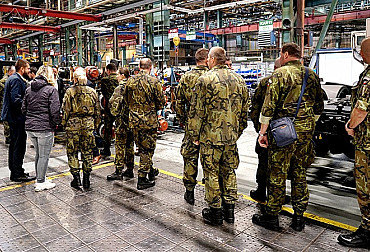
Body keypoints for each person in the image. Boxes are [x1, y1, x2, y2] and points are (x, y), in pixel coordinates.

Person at [252, 43, 324, 232]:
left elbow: (268, 107)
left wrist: (262, 133)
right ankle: (299, 217)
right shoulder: (311, 74)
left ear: (285, 54)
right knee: (300, 173)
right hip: (305, 132)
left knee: (278, 173)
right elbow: (319, 105)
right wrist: (308, 123)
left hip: (283, 132)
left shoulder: (279, 74)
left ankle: (272, 216)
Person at [187, 47, 250, 225]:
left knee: (211, 172)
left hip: (210, 137)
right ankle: (229, 211)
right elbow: (245, 111)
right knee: (229, 171)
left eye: (208, 58)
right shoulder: (239, 79)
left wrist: (194, 135)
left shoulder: (204, 80)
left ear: (213, 59)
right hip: (230, 138)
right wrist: (237, 131)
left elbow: (196, 111)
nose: (207, 61)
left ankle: (215, 211)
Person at [337, 37, 370, 248]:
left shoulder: (368, 78)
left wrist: (351, 125)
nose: (359, 54)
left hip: (367, 144)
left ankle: (367, 231)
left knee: (365, 187)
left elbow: (361, 109)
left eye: (361, 50)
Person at [123, 58, 165, 190]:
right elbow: (161, 102)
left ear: (139, 67)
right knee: (148, 149)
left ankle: (150, 170)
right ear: (150, 67)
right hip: (149, 121)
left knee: (141, 147)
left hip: (134, 120)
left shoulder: (130, 81)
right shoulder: (154, 81)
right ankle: (142, 178)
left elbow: (126, 99)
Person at [175, 48, 209, 205]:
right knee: (211, 160)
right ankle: (213, 195)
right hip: (212, 127)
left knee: (190, 157)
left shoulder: (186, 77)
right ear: (208, 59)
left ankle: (189, 192)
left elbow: (178, 102)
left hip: (191, 125)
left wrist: (183, 119)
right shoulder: (213, 76)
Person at [21, 66, 60, 192]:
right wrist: (56, 124)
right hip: (44, 127)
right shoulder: (51, 90)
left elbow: (23, 108)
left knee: (39, 154)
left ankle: (40, 177)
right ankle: (41, 182)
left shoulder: (28, 89)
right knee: (44, 155)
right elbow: (55, 110)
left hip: (30, 128)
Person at [61, 67, 100, 190]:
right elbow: (97, 111)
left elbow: (65, 110)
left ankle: (76, 178)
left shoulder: (70, 92)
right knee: (87, 151)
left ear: (75, 78)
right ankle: (87, 178)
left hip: (73, 125)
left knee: (72, 152)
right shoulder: (92, 92)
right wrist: (95, 124)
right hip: (88, 125)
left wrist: (64, 123)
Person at [249, 58, 281, 202]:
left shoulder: (265, 83)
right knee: (281, 165)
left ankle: (261, 191)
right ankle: (278, 195)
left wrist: (260, 131)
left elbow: (255, 109)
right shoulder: (298, 80)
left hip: (267, 130)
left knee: (264, 162)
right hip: (286, 133)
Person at [1, 59, 35, 182]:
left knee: (15, 145)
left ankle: (17, 170)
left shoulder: (14, 78)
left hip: (15, 118)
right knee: (18, 146)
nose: (29, 70)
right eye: (27, 68)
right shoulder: (16, 80)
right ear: (22, 69)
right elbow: (16, 100)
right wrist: (28, 106)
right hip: (16, 119)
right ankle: (16, 173)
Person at [107, 67, 135, 180]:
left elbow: (112, 103)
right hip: (132, 121)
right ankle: (130, 169)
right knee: (130, 145)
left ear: (123, 75)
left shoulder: (120, 88)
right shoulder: (133, 86)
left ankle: (118, 171)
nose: (117, 76)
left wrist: (115, 114)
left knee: (120, 145)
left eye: (118, 74)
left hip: (122, 122)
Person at [100, 63, 119, 159]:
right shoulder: (121, 79)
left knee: (107, 128)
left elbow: (103, 92)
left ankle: (106, 149)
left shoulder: (105, 80)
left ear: (108, 70)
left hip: (108, 107)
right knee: (120, 128)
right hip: (119, 108)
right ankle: (121, 150)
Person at [0, 66, 15, 144]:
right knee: (6, 123)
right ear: (10, 72)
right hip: (5, 105)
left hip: (10, 105)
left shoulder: (13, 80)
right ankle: (8, 137)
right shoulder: (3, 81)